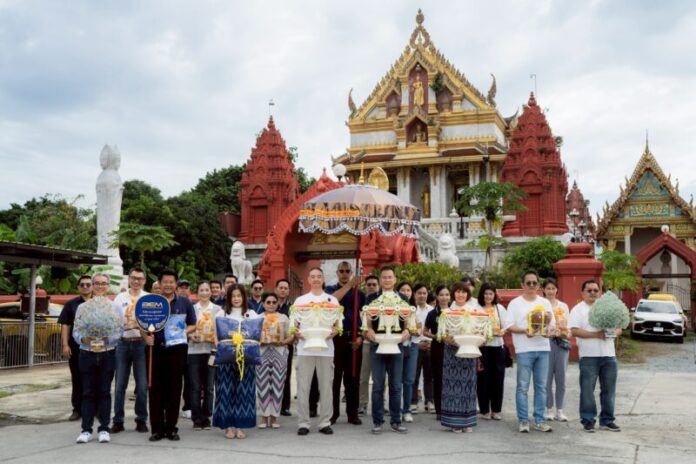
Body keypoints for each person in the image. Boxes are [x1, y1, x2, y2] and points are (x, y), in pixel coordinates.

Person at [144, 268, 197, 442]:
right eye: (165, 282)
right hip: (155, 350)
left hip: (177, 351)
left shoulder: (185, 303)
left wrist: (182, 332)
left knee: (174, 389)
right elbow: (141, 323)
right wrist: (146, 337)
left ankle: (171, 428)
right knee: (155, 390)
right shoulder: (151, 302)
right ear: (159, 283)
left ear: (176, 284)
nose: (168, 285)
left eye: (171, 282)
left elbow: (193, 324)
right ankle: (157, 429)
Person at [73, 272, 122, 444]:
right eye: (97, 283)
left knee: (104, 392)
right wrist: (83, 339)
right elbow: (76, 331)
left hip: (108, 353)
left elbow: (119, 330)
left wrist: (108, 339)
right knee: (87, 392)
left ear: (108, 286)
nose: (100, 286)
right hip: (87, 353)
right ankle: (86, 430)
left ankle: (104, 428)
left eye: (103, 283)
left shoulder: (115, 307)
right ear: (92, 286)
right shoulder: (82, 308)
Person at [504, 270, 556, 433]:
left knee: (541, 387)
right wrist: (524, 330)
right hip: (524, 349)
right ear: (522, 285)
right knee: (523, 387)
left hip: (543, 348)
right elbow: (509, 325)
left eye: (534, 283)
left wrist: (549, 331)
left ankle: (539, 420)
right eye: (528, 283)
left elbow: (552, 324)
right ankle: (523, 420)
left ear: (538, 285)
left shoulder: (545, 303)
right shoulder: (515, 303)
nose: (532, 285)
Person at [569, 280, 621, 433]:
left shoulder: (607, 308)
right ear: (583, 293)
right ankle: (588, 420)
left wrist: (613, 333)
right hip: (589, 356)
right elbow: (574, 330)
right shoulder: (578, 310)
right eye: (589, 290)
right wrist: (596, 335)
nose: (593, 293)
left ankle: (607, 420)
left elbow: (620, 327)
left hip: (609, 355)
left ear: (600, 292)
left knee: (609, 390)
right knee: (587, 390)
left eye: (595, 290)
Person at [363, 265, 411, 434]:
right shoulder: (371, 298)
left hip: (397, 344)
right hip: (377, 344)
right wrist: (368, 331)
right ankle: (377, 421)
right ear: (380, 280)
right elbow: (367, 322)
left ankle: (396, 421)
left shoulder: (403, 298)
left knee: (396, 385)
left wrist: (407, 331)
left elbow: (408, 321)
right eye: (384, 277)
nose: (387, 280)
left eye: (390, 277)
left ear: (395, 279)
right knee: (377, 385)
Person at [293, 268, 339, 436]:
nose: (316, 279)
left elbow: (337, 324)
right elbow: (294, 324)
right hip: (305, 348)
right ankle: (303, 423)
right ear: (308, 279)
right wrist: (295, 332)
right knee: (303, 387)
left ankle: (324, 422)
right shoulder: (300, 300)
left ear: (323, 279)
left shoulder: (332, 300)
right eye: (313, 276)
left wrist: (335, 331)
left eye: (319, 276)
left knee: (326, 387)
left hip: (326, 349)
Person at [213, 284, 260, 439]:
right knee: (226, 391)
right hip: (226, 359)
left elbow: (257, 336)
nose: (236, 299)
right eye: (233, 296)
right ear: (228, 298)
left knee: (244, 392)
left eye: (239, 296)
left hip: (246, 360)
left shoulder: (251, 314)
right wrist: (221, 346)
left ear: (244, 297)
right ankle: (228, 426)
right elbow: (216, 336)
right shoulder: (221, 313)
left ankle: (240, 425)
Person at [325, 261, 365, 426]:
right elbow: (332, 301)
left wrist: (361, 337)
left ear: (351, 272)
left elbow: (364, 317)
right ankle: (333, 413)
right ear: (337, 273)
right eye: (341, 271)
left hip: (354, 337)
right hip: (336, 338)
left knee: (353, 378)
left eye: (347, 271)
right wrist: (349, 285)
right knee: (335, 378)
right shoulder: (329, 290)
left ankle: (352, 413)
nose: (344, 274)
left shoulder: (359, 294)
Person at [111, 267, 149, 434]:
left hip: (141, 344)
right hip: (123, 343)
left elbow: (153, 323)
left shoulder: (148, 298)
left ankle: (141, 419)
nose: (136, 281)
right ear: (129, 279)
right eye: (133, 278)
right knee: (120, 385)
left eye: (139, 279)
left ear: (144, 281)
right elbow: (113, 319)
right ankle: (118, 420)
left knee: (142, 385)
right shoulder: (120, 298)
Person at [441, 283, 478, 433]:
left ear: (468, 295)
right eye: (458, 292)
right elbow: (442, 333)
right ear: (453, 294)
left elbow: (479, 330)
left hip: (469, 351)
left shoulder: (474, 311)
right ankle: (454, 422)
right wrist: (447, 339)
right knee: (452, 385)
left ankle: (467, 421)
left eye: (464, 292)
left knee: (468, 385)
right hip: (452, 352)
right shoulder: (446, 312)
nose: (461, 295)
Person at [256, 292, 293, 429]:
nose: (271, 305)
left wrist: (283, 342)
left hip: (279, 352)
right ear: (263, 304)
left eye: (274, 302)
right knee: (262, 385)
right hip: (262, 353)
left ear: (277, 304)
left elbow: (291, 336)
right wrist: (260, 341)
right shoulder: (257, 318)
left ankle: (275, 417)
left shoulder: (283, 318)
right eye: (268, 302)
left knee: (278, 384)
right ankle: (264, 416)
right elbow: (252, 336)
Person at [59, 274, 92, 422]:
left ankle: (94, 409)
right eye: (82, 285)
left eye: (88, 284)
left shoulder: (100, 303)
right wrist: (65, 345)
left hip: (96, 347)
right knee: (77, 378)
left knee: (95, 378)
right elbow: (65, 325)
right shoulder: (71, 304)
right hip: (76, 347)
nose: (85, 287)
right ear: (78, 287)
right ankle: (77, 409)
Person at [188, 281, 220, 431]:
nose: (205, 292)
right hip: (194, 351)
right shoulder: (192, 309)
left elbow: (221, 330)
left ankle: (206, 417)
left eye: (207, 290)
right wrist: (191, 336)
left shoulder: (218, 310)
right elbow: (185, 327)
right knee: (195, 387)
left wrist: (214, 338)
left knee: (209, 387)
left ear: (211, 292)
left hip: (211, 352)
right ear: (197, 292)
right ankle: (196, 418)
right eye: (202, 290)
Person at [477, 282, 507, 421]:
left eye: (491, 293)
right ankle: (484, 410)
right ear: (482, 294)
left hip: (498, 346)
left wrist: (502, 332)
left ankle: (496, 410)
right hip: (482, 347)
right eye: (486, 293)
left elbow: (506, 326)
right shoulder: (477, 309)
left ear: (494, 295)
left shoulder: (499, 308)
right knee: (483, 378)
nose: (488, 296)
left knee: (498, 378)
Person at [543, 278, 571, 422]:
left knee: (561, 378)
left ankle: (560, 410)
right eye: (548, 288)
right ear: (543, 290)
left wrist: (563, 332)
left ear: (557, 290)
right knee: (546, 378)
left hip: (561, 344)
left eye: (553, 288)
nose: (551, 291)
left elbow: (569, 326)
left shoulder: (563, 306)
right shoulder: (540, 305)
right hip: (545, 343)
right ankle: (548, 409)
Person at [424, 285, 449, 420]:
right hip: (437, 348)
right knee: (438, 378)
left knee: (450, 378)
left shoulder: (454, 312)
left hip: (452, 347)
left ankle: (450, 407)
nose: (444, 297)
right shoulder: (432, 313)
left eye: (446, 295)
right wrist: (436, 336)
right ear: (437, 297)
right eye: (441, 295)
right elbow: (424, 331)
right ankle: (439, 410)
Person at [358, 275, 380, 416]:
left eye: (374, 284)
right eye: (369, 284)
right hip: (366, 343)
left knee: (380, 377)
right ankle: (362, 403)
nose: (371, 287)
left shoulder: (383, 301)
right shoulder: (362, 302)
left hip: (382, 343)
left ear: (378, 286)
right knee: (364, 376)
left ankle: (380, 403)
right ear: (365, 286)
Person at [396, 281, 418, 422]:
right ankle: (397, 409)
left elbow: (419, 328)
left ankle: (407, 410)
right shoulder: (393, 308)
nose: (405, 292)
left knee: (409, 380)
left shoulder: (414, 309)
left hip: (412, 346)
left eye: (408, 290)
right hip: (397, 346)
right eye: (402, 290)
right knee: (396, 380)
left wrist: (415, 331)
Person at [411, 284, 434, 414]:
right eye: (419, 293)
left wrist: (430, 342)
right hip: (415, 346)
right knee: (414, 376)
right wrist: (417, 343)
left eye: (424, 293)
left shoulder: (432, 310)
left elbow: (434, 329)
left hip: (430, 346)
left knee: (429, 376)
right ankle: (413, 402)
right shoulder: (411, 310)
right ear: (414, 294)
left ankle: (429, 401)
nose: (422, 295)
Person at [275, 278, 295, 416]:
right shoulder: (270, 304)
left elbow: (295, 326)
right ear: (276, 289)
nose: (283, 290)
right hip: (269, 346)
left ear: (288, 291)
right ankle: (272, 404)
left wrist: (289, 341)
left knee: (285, 375)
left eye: (285, 288)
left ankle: (285, 406)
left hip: (286, 345)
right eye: (280, 287)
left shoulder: (292, 308)